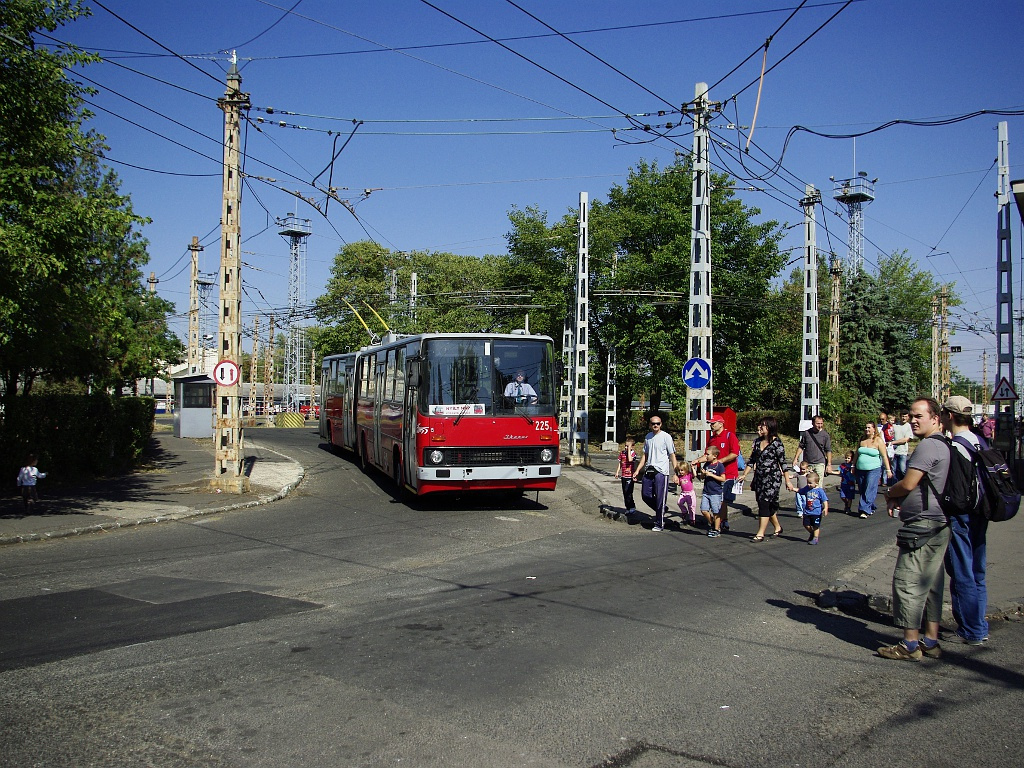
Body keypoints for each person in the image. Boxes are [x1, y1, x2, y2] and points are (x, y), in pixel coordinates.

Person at [879, 397, 951, 661]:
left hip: (922, 525)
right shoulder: (946, 444)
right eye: (911, 416)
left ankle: (910, 645)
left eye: (919, 416)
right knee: (931, 582)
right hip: (940, 522)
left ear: (935, 418)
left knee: (907, 581)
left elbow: (908, 484)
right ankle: (930, 641)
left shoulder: (928, 446)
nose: (912, 420)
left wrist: (890, 492)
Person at [939, 396, 990, 646]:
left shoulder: (957, 446)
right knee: (977, 572)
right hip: (983, 511)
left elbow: (958, 494)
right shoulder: (980, 440)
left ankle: (971, 629)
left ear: (949, 416)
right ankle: (979, 624)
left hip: (963, 516)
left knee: (962, 572)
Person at [739, 416, 794, 541]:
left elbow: (783, 463)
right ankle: (778, 527)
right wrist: (745, 474)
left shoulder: (777, 443)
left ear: (769, 427)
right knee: (766, 505)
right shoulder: (758, 442)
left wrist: (788, 481)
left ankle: (760, 534)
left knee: (764, 504)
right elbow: (752, 460)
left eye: (763, 425)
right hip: (759, 478)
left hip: (772, 479)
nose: (760, 427)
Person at [633, 414, 679, 532]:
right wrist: (637, 470)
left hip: (661, 471)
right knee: (645, 495)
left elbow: (672, 455)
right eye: (653, 423)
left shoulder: (666, 437)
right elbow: (645, 455)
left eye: (658, 423)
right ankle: (662, 509)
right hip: (649, 470)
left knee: (660, 498)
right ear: (650, 425)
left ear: (661, 424)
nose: (655, 425)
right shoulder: (648, 437)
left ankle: (659, 522)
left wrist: (676, 472)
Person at [695, 415, 741, 531]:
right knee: (717, 499)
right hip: (714, 473)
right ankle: (716, 522)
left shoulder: (730, 436)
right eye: (710, 423)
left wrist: (720, 461)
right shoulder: (712, 438)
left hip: (728, 473)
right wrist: (697, 461)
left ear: (721, 424)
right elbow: (707, 455)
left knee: (723, 499)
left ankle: (723, 521)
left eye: (713, 423)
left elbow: (734, 453)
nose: (711, 425)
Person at [856, 422, 893, 518]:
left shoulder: (878, 441)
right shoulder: (861, 439)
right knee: (863, 489)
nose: (867, 429)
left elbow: (884, 456)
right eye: (865, 427)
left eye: (869, 427)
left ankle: (864, 510)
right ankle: (871, 506)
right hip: (860, 468)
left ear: (874, 429)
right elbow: (856, 453)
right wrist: (852, 466)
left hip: (873, 469)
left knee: (869, 488)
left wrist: (888, 470)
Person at [794, 414, 833, 480]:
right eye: (818, 423)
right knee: (809, 484)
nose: (820, 426)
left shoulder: (825, 435)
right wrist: (795, 458)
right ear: (812, 423)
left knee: (818, 485)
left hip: (820, 463)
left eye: (821, 423)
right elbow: (801, 447)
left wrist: (829, 464)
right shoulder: (807, 433)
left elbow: (828, 450)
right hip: (808, 464)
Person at [699, 447, 726, 537]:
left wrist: (711, 475)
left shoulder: (719, 466)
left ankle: (716, 529)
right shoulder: (707, 465)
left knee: (715, 512)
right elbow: (702, 478)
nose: (706, 456)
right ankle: (713, 523)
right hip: (706, 491)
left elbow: (723, 478)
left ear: (715, 456)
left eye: (708, 454)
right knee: (704, 510)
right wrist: (703, 474)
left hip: (715, 493)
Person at [798, 470, 829, 544]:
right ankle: (812, 533)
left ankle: (815, 538)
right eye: (808, 483)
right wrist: (793, 489)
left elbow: (825, 500)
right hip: (807, 511)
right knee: (806, 525)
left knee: (815, 526)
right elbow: (800, 491)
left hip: (816, 512)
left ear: (816, 483)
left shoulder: (819, 491)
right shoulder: (807, 488)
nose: (808, 484)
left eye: (810, 483)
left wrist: (826, 508)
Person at [613, 436, 638, 518]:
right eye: (625, 445)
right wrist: (617, 472)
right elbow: (620, 463)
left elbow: (630, 460)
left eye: (628, 446)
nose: (626, 447)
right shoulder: (622, 453)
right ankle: (628, 507)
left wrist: (629, 451)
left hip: (630, 476)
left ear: (632, 446)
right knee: (624, 492)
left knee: (629, 492)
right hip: (624, 476)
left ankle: (632, 507)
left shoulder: (633, 454)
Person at [891, 411, 914, 482]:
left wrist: (893, 442)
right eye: (902, 416)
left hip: (902, 452)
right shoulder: (895, 425)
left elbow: (906, 439)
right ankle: (894, 487)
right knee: (894, 471)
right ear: (900, 416)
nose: (904, 418)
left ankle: (906, 483)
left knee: (902, 470)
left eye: (905, 416)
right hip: (894, 452)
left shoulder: (908, 426)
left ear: (908, 417)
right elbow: (890, 435)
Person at [675, 459, 698, 526]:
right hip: (683, 493)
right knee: (679, 503)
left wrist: (692, 468)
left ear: (686, 470)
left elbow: (695, 475)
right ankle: (684, 511)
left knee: (691, 507)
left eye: (682, 470)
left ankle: (692, 519)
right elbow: (679, 483)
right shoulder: (680, 477)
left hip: (690, 493)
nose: (680, 472)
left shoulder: (689, 475)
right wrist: (676, 482)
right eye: (679, 470)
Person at [878, 411, 896, 485]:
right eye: (880, 419)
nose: (881, 421)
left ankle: (886, 480)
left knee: (887, 463)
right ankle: (880, 480)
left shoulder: (891, 426)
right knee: (880, 464)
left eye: (883, 419)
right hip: (881, 446)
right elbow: (879, 434)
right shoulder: (879, 426)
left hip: (889, 446)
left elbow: (893, 435)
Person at [838, 450, 857, 515]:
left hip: (851, 483)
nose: (846, 459)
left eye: (848, 458)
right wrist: (830, 472)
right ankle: (846, 503)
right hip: (843, 483)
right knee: (842, 496)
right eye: (846, 458)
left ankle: (848, 508)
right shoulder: (842, 465)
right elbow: (839, 472)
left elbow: (856, 474)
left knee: (850, 497)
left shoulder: (853, 466)